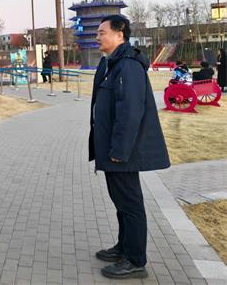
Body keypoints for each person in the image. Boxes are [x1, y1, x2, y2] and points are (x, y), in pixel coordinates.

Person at [89, 15, 170, 280]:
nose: (97, 37)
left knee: (131, 204)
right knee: (121, 202)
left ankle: (135, 260)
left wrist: (120, 151)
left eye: (102, 32)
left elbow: (130, 113)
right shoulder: (111, 63)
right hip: (112, 149)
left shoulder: (128, 66)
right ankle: (124, 247)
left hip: (122, 152)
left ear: (119, 34)